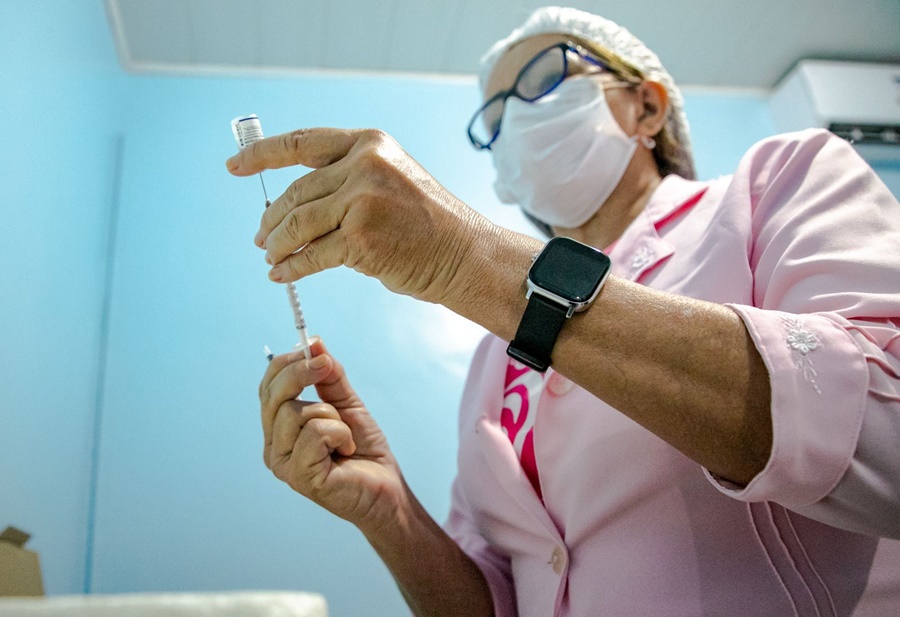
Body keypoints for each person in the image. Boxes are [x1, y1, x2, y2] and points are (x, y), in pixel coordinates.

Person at [227, 6, 900, 616]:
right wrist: (388, 508)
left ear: (645, 107)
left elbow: (885, 438)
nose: (514, 119)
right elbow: (501, 600)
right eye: (493, 119)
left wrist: (467, 259)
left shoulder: (775, 188)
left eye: (545, 79)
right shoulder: (498, 354)